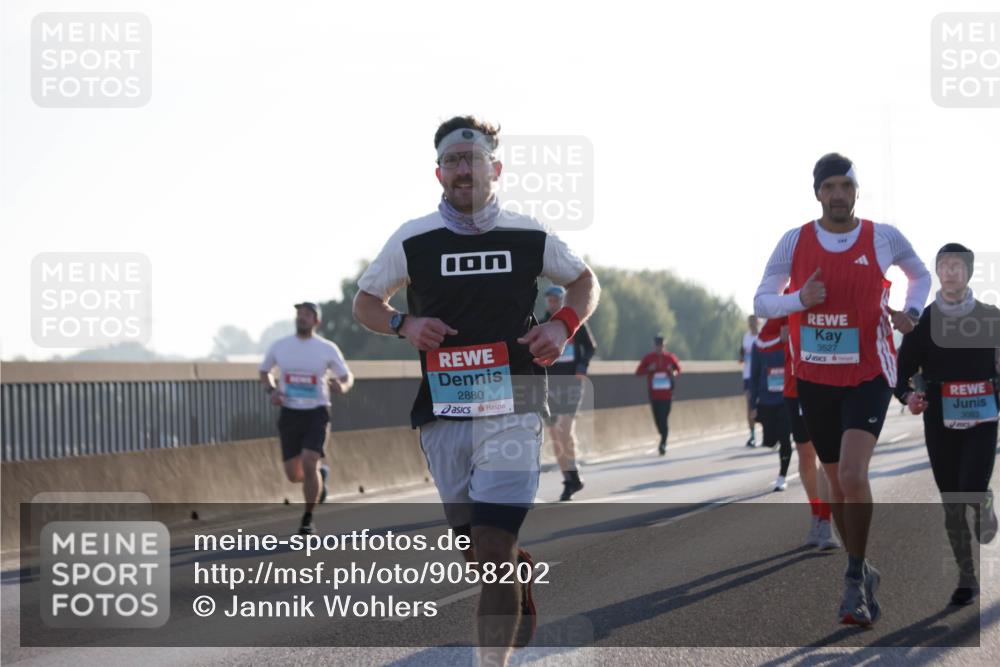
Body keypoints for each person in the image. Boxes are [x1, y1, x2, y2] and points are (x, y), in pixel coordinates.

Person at [352, 116, 599, 663]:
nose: (465, 169)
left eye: (474, 158)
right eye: (454, 161)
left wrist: (561, 326)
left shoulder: (528, 233)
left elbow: (584, 281)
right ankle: (517, 570)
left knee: (491, 545)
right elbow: (366, 302)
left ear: (496, 168)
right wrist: (404, 325)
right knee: (477, 551)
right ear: (439, 173)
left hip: (513, 406)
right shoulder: (413, 238)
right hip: (444, 413)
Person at [754, 152, 931, 626]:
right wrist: (799, 299)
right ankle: (863, 570)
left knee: (853, 475)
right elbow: (762, 300)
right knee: (835, 481)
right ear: (817, 193)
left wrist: (910, 313)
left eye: (844, 186)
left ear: (856, 191)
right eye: (828, 186)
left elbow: (921, 274)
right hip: (814, 378)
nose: (837, 194)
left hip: (869, 373)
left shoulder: (883, 237)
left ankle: (853, 578)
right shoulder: (795, 242)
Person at [895, 243, 1000, 606]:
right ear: (937, 272)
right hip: (940, 419)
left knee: (971, 487)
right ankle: (967, 578)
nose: (951, 271)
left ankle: (984, 501)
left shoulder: (990, 317)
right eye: (944, 265)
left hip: (983, 417)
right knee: (951, 501)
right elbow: (901, 373)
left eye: (958, 265)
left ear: (969, 272)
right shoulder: (924, 322)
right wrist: (909, 397)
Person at [259, 302, 354, 536]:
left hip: (317, 412)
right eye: (299, 314)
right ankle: (320, 477)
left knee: (310, 460)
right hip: (290, 413)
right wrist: (272, 392)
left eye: (307, 315)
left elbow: (346, 375)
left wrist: (342, 386)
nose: (301, 318)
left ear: (316, 321)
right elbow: (264, 372)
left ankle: (308, 518)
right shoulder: (281, 346)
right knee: (294, 475)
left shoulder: (326, 348)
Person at [776, 315, 840, 550]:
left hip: (831, 382)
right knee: (805, 455)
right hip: (796, 387)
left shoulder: (839, 287)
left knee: (827, 455)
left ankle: (826, 521)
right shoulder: (787, 298)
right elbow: (764, 340)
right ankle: (816, 514)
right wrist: (780, 334)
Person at [540, 285, 597, 501]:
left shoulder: (573, 321)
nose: (552, 303)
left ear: (563, 301)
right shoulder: (541, 323)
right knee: (555, 435)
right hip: (550, 387)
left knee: (564, 429)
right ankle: (569, 480)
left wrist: (582, 367)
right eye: (549, 300)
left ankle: (573, 471)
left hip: (572, 384)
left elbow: (591, 347)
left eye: (556, 300)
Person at [748, 318, 793, 491]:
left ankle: (782, 476)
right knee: (769, 441)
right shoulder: (758, 345)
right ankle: (775, 440)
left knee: (784, 438)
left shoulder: (791, 341)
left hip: (786, 398)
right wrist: (753, 405)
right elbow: (754, 374)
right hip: (766, 400)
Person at [635, 335, 682, 455]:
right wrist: (649, 369)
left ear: (664, 346)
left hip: (667, 395)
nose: (658, 348)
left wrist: (673, 373)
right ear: (654, 346)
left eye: (660, 346)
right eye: (656, 346)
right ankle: (662, 436)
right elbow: (638, 372)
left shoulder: (670, 358)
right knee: (658, 421)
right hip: (654, 394)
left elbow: (678, 370)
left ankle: (663, 444)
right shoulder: (648, 358)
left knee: (664, 419)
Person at [741, 316, 761, 447]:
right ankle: (752, 435)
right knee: (749, 405)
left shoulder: (762, 336)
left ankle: (768, 433)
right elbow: (743, 355)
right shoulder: (746, 337)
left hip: (761, 375)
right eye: (750, 322)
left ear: (758, 322)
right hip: (748, 376)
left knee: (764, 405)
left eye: (754, 321)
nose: (751, 324)